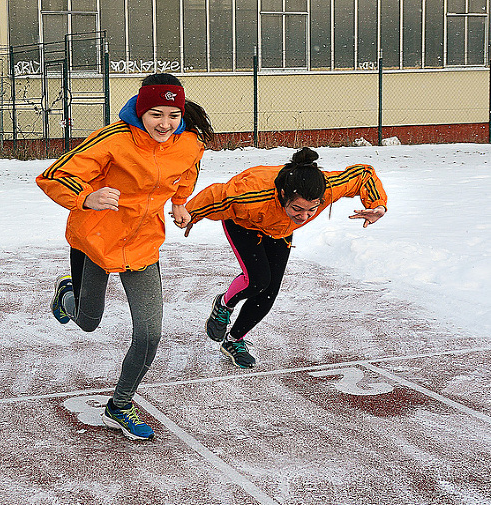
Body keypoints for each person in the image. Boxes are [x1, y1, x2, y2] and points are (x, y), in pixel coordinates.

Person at [37, 73, 213, 441]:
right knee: (88, 321)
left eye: (173, 115)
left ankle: (120, 404)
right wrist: (88, 197)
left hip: (143, 244)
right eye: (156, 115)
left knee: (149, 333)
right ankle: (67, 294)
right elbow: (55, 175)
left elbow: (186, 173)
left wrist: (179, 204)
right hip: (96, 239)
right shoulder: (113, 139)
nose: (165, 124)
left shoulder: (189, 144)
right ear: (140, 110)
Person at [181, 147, 387, 369]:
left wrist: (377, 204)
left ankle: (234, 341)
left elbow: (362, 175)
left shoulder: (327, 187)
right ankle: (223, 305)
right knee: (258, 280)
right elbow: (217, 195)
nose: (304, 216)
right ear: (282, 195)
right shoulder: (250, 194)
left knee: (269, 293)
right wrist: (190, 215)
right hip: (244, 224)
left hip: (279, 230)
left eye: (311, 210)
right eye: (297, 208)